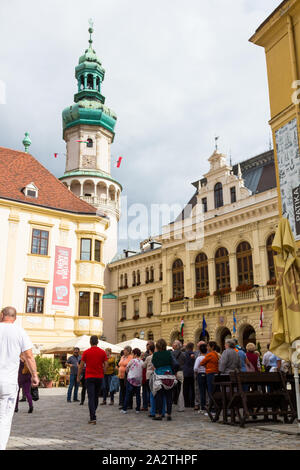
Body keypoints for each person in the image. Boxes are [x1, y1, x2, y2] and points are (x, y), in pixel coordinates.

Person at [0, 306, 39, 450]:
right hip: (8, 383)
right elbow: (29, 356)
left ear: (2, 315)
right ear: (15, 318)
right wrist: (34, 375)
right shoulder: (20, 331)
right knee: (4, 419)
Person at [77, 336, 108, 425]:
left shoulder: (86, 352)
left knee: (91, 397)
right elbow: (106, 363)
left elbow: (81, 365)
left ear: (90, 342)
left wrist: (78, 376)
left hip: (89, 376)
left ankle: (92, 417)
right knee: (96, 396)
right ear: (98, 342)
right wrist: (104, 371)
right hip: (99, 377)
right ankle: (93, 412)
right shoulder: (102, 352)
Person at [151, 339, 177, 421]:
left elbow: (154, 364)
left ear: (157, 346)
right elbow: (176, 363)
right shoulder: (169, 353)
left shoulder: (155, 355)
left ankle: (159, 414)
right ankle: (169, 414)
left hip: (159, 376)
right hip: (169, 375)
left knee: (159, 396)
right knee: (169, 396)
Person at [121, 348, 143, 414]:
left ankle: (124, 409)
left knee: (128, 394)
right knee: (138, 395)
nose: (132, 355)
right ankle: (138, 409)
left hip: (131, 379)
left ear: (135, 354)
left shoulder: (132, 361)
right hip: (138, 380)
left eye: (133, 353)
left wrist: (128, 373)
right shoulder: (142, 362)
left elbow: (127, 368)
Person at [171, 340, 185, 412]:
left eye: (173, 344)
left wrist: (174, 372)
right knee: (181, 390)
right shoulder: (183, 354)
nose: (172, 345)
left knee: (170, 389)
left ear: (176, 346)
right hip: (181, 372)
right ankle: (181, 407)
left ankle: (169, 405)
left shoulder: (171, 353)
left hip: (173, 372)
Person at [194, 343, 207, 413]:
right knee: (208, 392)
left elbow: (195, 368)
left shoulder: (199, 358)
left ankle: (202, 407)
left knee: (202, 392)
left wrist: (196, 373)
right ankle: (208, 405)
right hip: (207, 374)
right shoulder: (208, 357)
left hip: (200, 374)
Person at [183, 342, 195, 408]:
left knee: (185, 388)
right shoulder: (192, 353)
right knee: (192, 388)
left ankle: (186, 403)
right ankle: (192, 403)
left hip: (185, 372)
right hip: (191, 372)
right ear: (192, 347)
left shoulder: (184, 353)